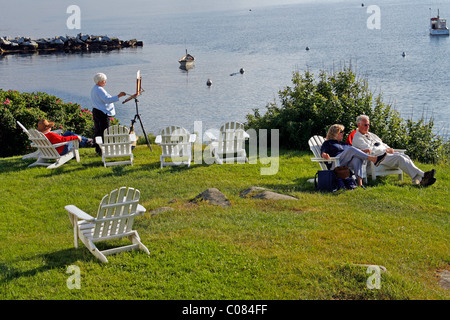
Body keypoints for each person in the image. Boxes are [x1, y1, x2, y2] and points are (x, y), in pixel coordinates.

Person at [351, 115, 436, 186]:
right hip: (376, 160)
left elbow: (381, 144)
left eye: (368, 125)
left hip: (384, 155)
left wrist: (389, 149)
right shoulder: (357, 138)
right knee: (399, 158)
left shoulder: (371, 135)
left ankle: (420, 180)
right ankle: (424, 175)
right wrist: (386, 150)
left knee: (404, 156)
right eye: (365, 125)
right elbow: (371, 150)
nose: (367, 127)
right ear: (359, 125)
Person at [321, 124, 387, 188]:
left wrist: (362, 151)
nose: (343, 133)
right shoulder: (328, 143)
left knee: (357, 159)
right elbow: (323, 152)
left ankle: (360, 184)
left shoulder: (343, 144)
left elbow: (354, 150)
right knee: (351, 150)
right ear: (334, 133)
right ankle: (373, 159)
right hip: (335, 163)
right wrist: (325, 155)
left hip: (345, 164)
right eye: (341, 132)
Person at [91, 73, 126, 155]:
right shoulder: (99, 89)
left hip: (97, 111)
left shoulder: (95, 88)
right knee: (104, 131)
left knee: (98, 131)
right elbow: (107, 99)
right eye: (104, 81)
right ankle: (104, 149)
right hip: (102, 113)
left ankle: (99, 149)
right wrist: (119, 96)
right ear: (100, 81)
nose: (105, 82)